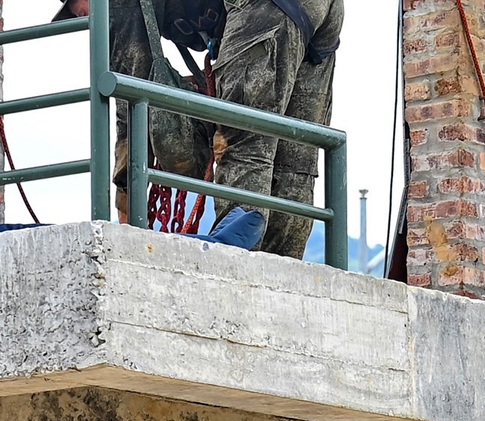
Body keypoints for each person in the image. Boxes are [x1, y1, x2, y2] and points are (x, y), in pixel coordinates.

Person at [56, 0, 342, 256]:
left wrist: (126, 195)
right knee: (295, 161)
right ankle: (283, 277)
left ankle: (237, 270)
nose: (90, 22)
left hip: (266, 8)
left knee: (241, 144)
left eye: (82, 12)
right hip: (321, 14)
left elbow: (130, 92)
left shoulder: (113, 5)